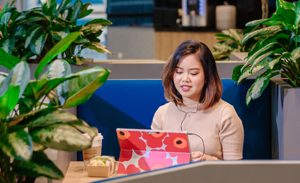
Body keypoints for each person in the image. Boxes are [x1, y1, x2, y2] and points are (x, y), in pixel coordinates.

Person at [151, 40, 244, 161]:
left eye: (193, 73)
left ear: (207, 76)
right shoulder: (162, 113)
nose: (185, 79)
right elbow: (153, 162)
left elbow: (235, 171)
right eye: (179, 72)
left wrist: (208, 161)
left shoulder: (225, 114)